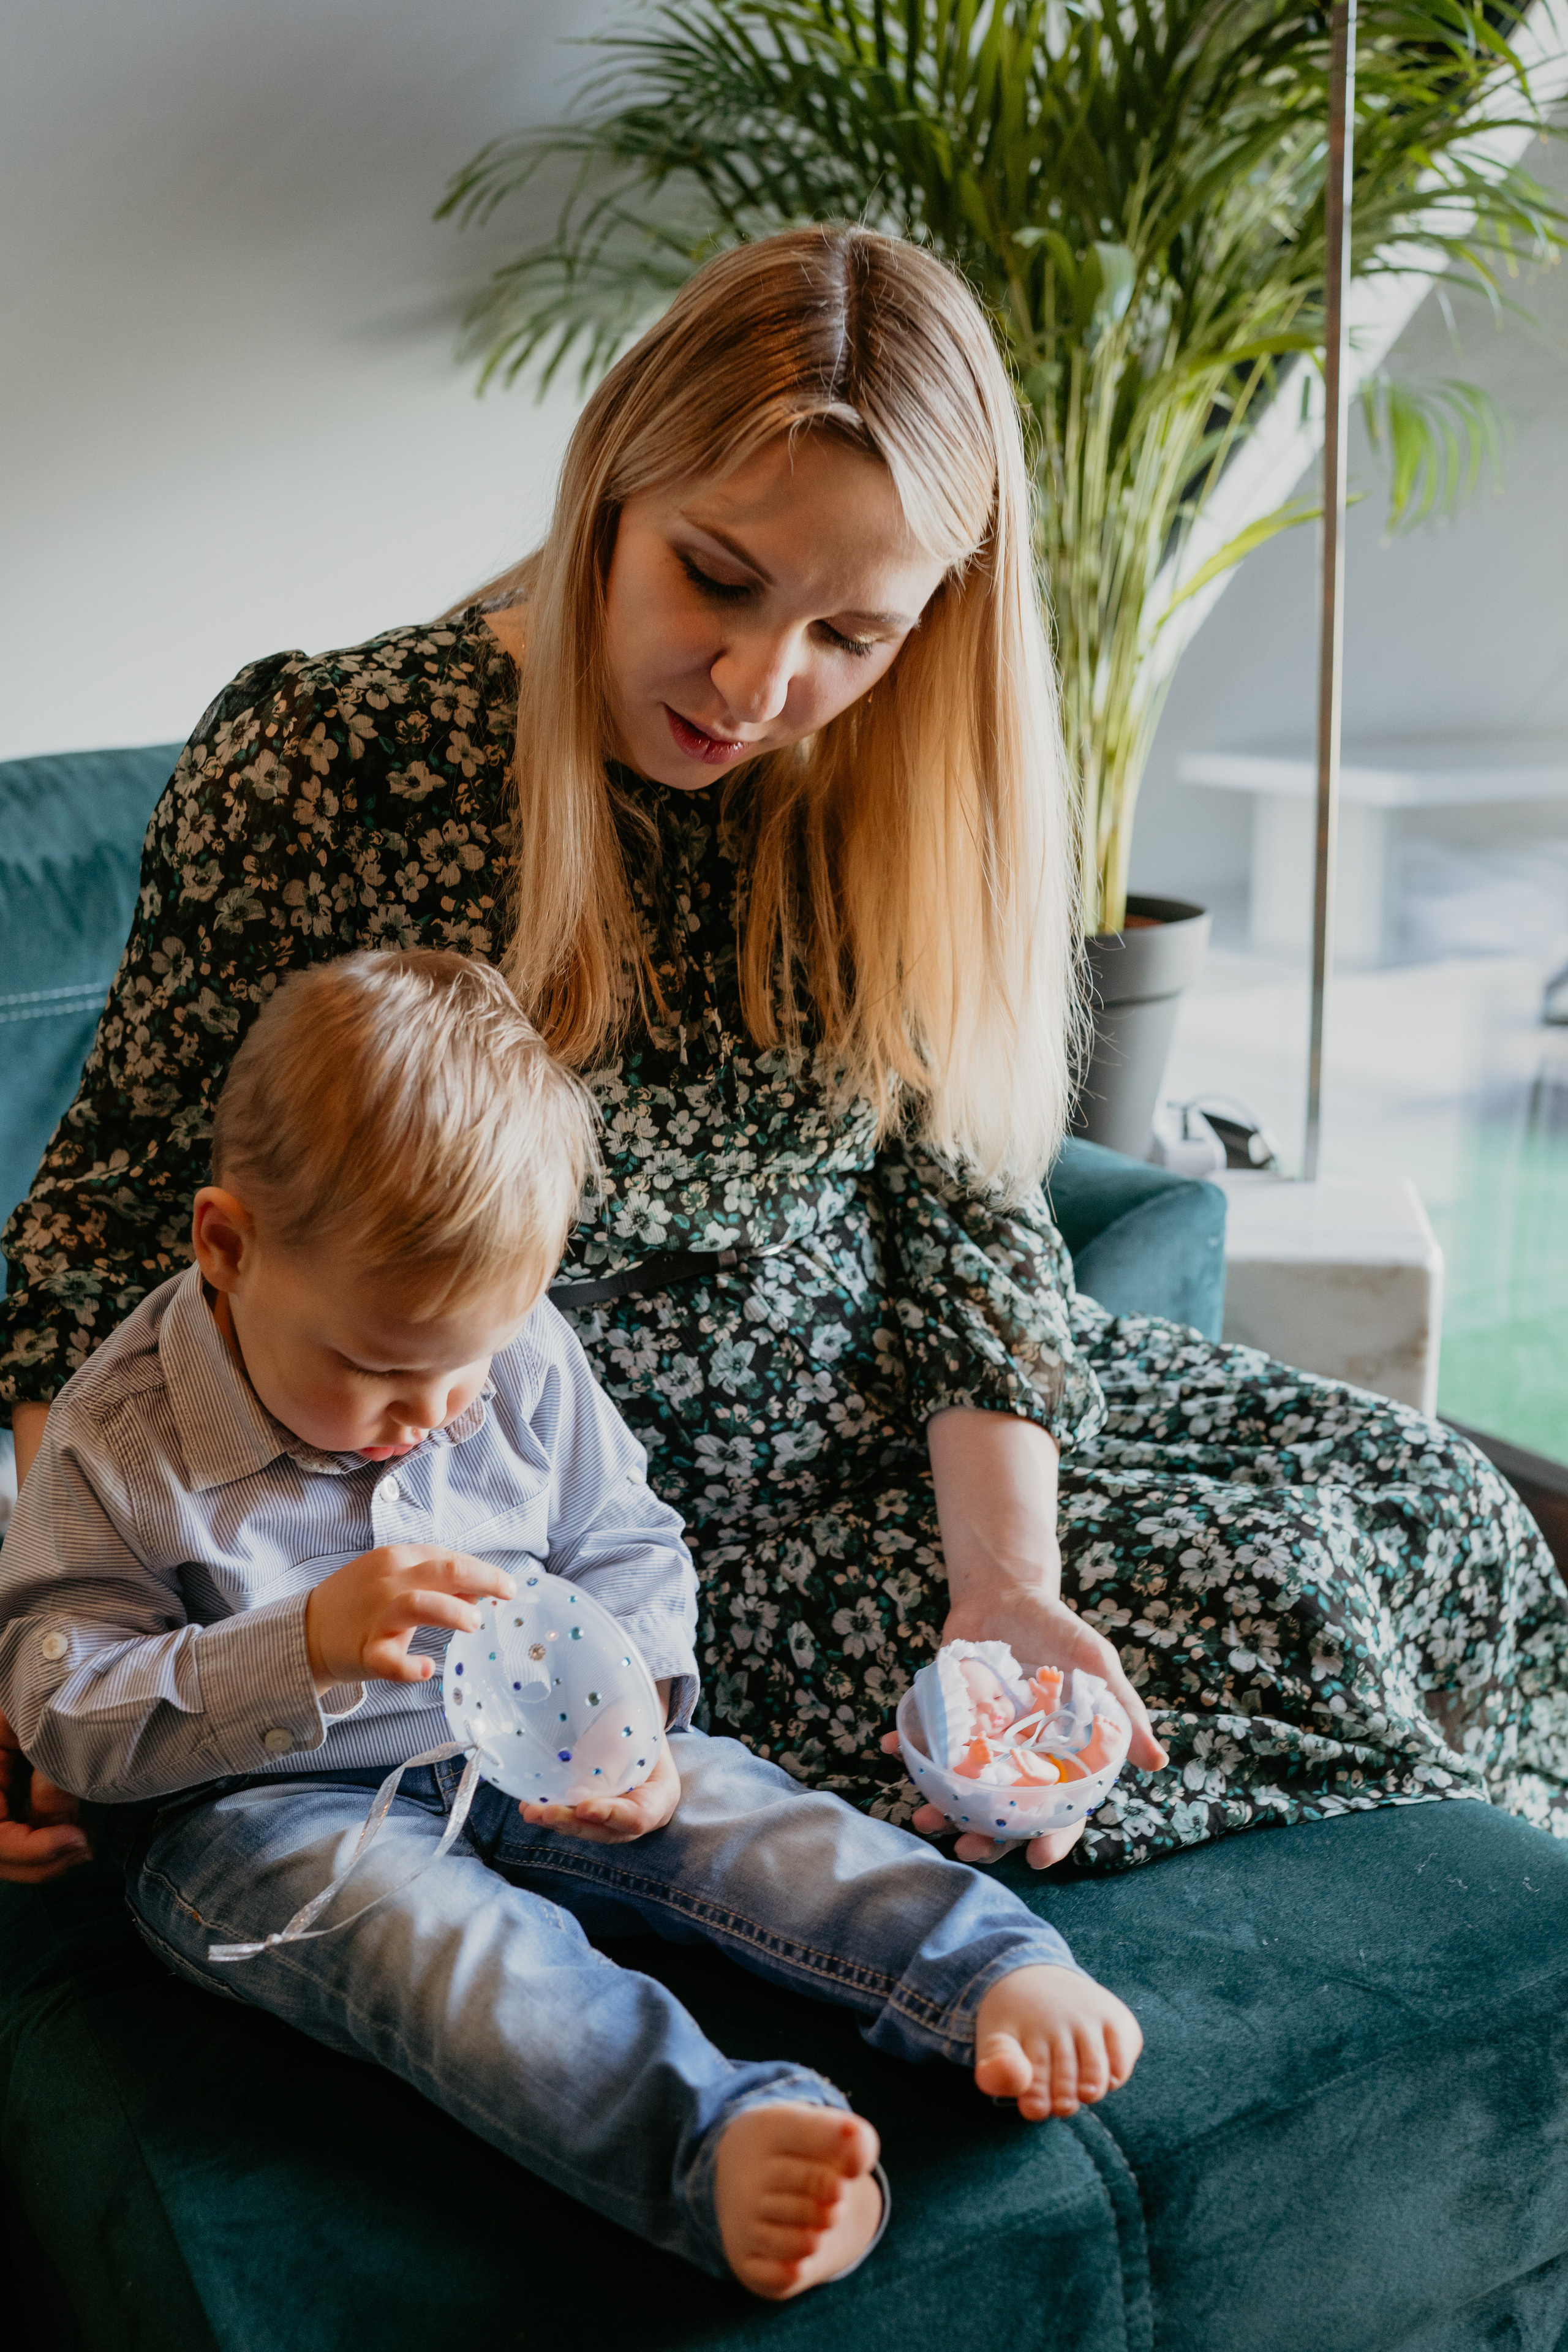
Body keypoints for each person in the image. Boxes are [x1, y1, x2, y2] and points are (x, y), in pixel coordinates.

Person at [2, 224, 1564, 1894]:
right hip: (612, 1522)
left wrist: (1007, 1586)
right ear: (615, 484)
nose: (760, 685)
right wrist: (45, 1657)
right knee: (1290, 1603)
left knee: (1429, 1495)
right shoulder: (332, 756)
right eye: (720, 579)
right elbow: (106, 1229)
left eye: (853, 635)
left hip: (915, 1421)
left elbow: (968, 1222)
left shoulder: (906, 796)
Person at [0, 948, 1141, 2296]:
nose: (432, 1415)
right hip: (261, 1812)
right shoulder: (112, 1439)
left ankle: (981, 1966)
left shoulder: (518, 1350)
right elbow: (65, 1709)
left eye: (466, 1369)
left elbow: (624, 1539)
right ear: (227, 1247)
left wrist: (644, 1726)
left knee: (742, 1813)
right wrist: (294, 1646)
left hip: (530, 1736)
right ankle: (705, 2140)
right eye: (377, 1369)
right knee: (450, 1952)